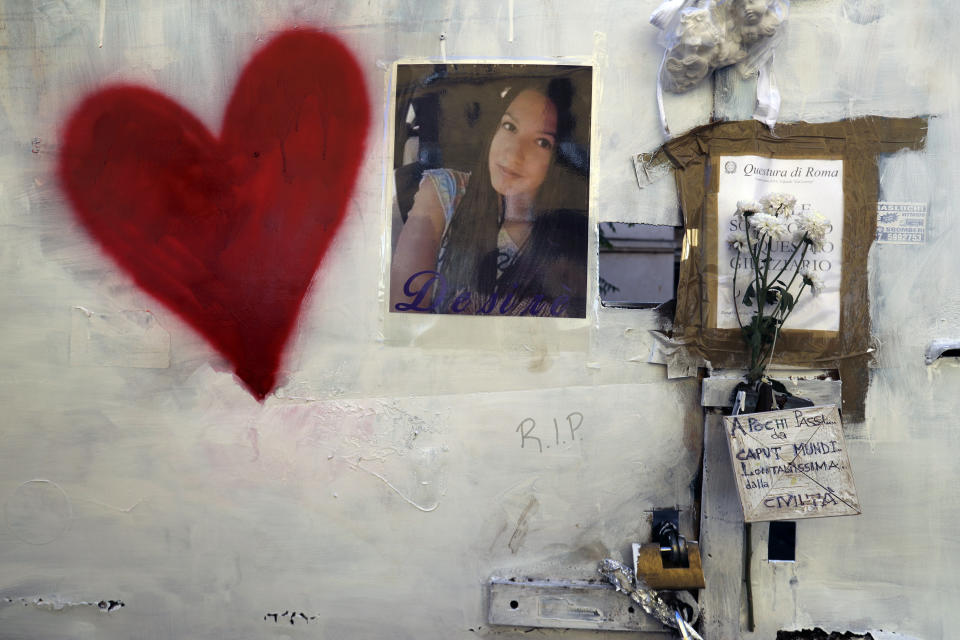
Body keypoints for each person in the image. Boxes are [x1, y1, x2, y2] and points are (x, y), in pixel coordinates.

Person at [390, 76, 588, 317]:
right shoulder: (446, 192)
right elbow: (404, 314)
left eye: (541, 142)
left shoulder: (573, 240)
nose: (514, 154)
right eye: (509, 127)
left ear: (560, 157)